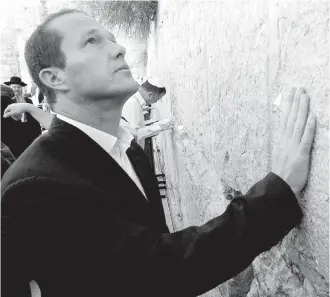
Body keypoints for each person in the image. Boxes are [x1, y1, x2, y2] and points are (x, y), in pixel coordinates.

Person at [1, 9, 316, 297]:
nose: (118, 48)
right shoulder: (37, 185)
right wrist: (277, 191)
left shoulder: (127, 150)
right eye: (91, 41)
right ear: (55, 77)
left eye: (112, 38)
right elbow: (156, 273)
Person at [122, 78, 174, 148]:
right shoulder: (133, 103)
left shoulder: (134, 100)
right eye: (157, 99)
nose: (155, 102)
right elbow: (135, 134)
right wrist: (159, 126)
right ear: (150, 94)